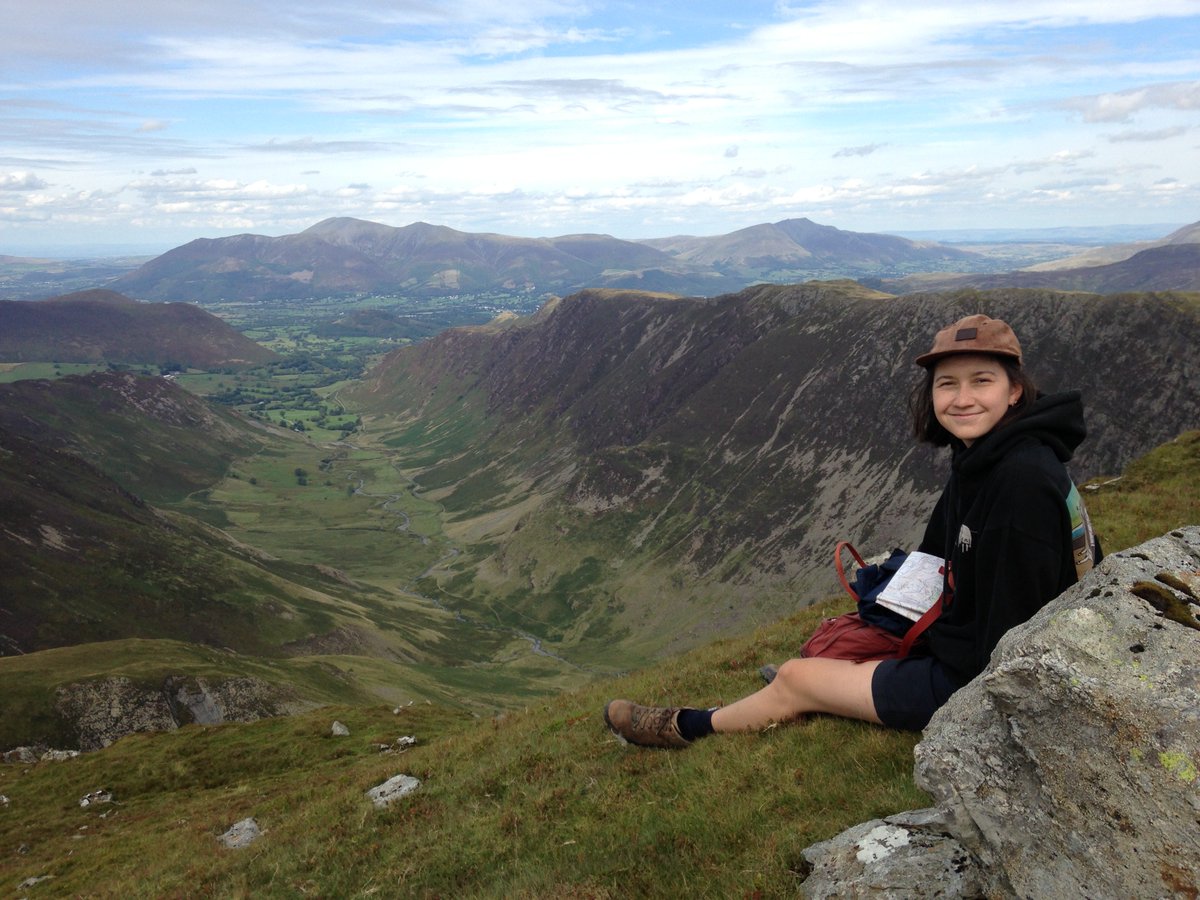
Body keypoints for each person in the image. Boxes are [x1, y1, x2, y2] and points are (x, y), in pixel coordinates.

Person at [604, 313, 1099, 747]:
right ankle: (815, 685)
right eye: (947, 384)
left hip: (987, 678)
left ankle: (689, 727)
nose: (962, 399)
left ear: (1014, 390)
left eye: (981, 381)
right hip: (976, 645)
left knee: (798, 677)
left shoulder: (1020, 482)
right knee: (835, 651)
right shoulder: (989, 458)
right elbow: (936, 557)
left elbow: (1004, 649)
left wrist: (906, 664)